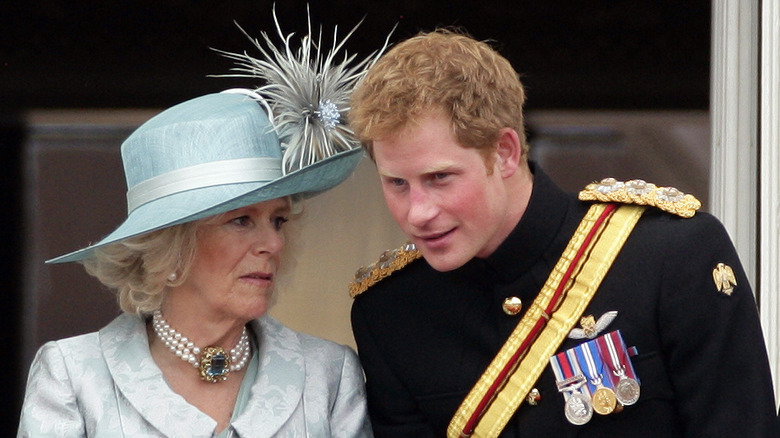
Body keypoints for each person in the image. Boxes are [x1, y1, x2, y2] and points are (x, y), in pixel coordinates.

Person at [348, 29, 779, 437]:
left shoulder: (671, 256)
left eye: (440, 177)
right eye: (396, 183)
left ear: (505, 153)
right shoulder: (389, 311)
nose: (417, 213)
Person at [18, 16, 382, 437]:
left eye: (278, 220)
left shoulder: (328, 377)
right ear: (169, 250)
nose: (272, 243)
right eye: (241, 220)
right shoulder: (74, 377)